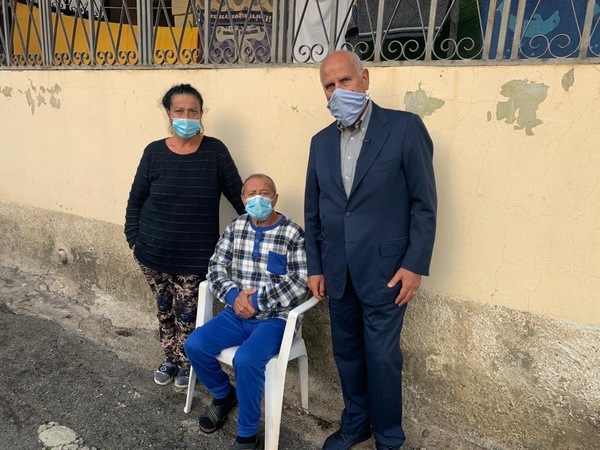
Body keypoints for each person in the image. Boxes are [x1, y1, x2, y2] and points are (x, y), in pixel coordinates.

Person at [304, 50, 437, 450]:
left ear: (365, 79)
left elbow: (424, 205)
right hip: (337, 271)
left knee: (382, 358)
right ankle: (355, 423)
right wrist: (316, 266)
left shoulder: (404, 128)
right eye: (329, 85)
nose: (337, 91)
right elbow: (314, 211)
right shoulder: (320, 142)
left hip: (387, 272)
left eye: (345, 80)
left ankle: (388, 437)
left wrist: (414, 265)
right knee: (347, 354)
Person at [124, 83, 246, 389]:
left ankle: (188, 361)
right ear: (169, 113)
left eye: (193, 111)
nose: (186, 117)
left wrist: (261, 227)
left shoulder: (215, 151)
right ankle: (170, 357)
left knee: (188, 312)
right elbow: (136, 199)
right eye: (179, 111)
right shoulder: (154, 152)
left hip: (195, 257)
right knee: (164, 309)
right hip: (151, 252)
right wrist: (133, 238)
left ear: (201, 114)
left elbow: (238, 196)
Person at [184, 174, 308, 450]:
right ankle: (223, 394)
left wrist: (258, 302)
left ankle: (247, 433)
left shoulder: (292, 232)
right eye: (251, 194)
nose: (258, 198)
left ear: (275, 198)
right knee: (194, 345)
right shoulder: (236, 227)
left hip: (275, 319)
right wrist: (232, 296)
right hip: (236, 313)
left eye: (265, 193)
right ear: (243, 199)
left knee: (247, 359)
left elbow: (300, 282)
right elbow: (215, 267)